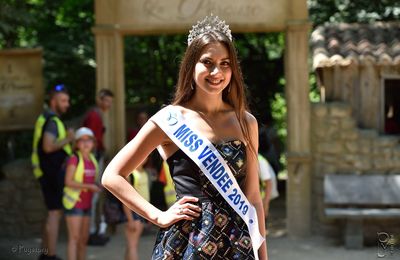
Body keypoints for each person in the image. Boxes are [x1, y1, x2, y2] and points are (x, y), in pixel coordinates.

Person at [102, 15, 268, 259]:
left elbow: (253, 197)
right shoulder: (169, 120)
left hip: (237, 243)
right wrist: (157, 216)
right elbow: (111, 176)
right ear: (191, 66)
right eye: (207, 62)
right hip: (188, 241)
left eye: (225, 63)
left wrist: (262, 255)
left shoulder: (246, 122)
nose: (216, 71)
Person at [31, 84, 74, 260]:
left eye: (68, 101)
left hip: (45, 172)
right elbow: (48, 147)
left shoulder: (45, 118)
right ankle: (51, 256)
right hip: (51, 173)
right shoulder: (53, 121)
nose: (67, 104)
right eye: (63, 100)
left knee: (50, 213)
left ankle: (44, 253)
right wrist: (69, 139)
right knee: (54, 213)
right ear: (53, 101)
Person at [63, 127, 101, 260]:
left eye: (89, 140)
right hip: (74, 204)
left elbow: (92, 180)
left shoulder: (92, 159)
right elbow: (68, 182)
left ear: (93, 143)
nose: (86, 143)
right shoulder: (74, 159)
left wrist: (96, 185)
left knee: (83, 241)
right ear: (77, 144)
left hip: (87, 205)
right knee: (74, 239)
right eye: (82, 140)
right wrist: (90, 186)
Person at [82, 88, 114, 244]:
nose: (108, 104)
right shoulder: (94, 115)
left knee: (95, 195)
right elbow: (93, 140)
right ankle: (90, 232)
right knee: (93, 193)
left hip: (94, 157)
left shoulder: (96, 114)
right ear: (100, 100)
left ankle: (92, 231)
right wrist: (101, 151)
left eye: (110, 102)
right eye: (106, 101)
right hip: (94, 158)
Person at [123, 158, 150, 260]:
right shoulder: (130, 174)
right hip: (133, 213)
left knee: (131, 246)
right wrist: (130, 219)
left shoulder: (144, 172)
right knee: (133, 246)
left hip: (142, 211)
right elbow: (125, 198)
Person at [257, 154, 279, 234]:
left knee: (263, 209)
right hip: (262, 185)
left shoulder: (260, 161)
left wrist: (266, 202)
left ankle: (263, 230)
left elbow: (268, 183)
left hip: (267, 185)